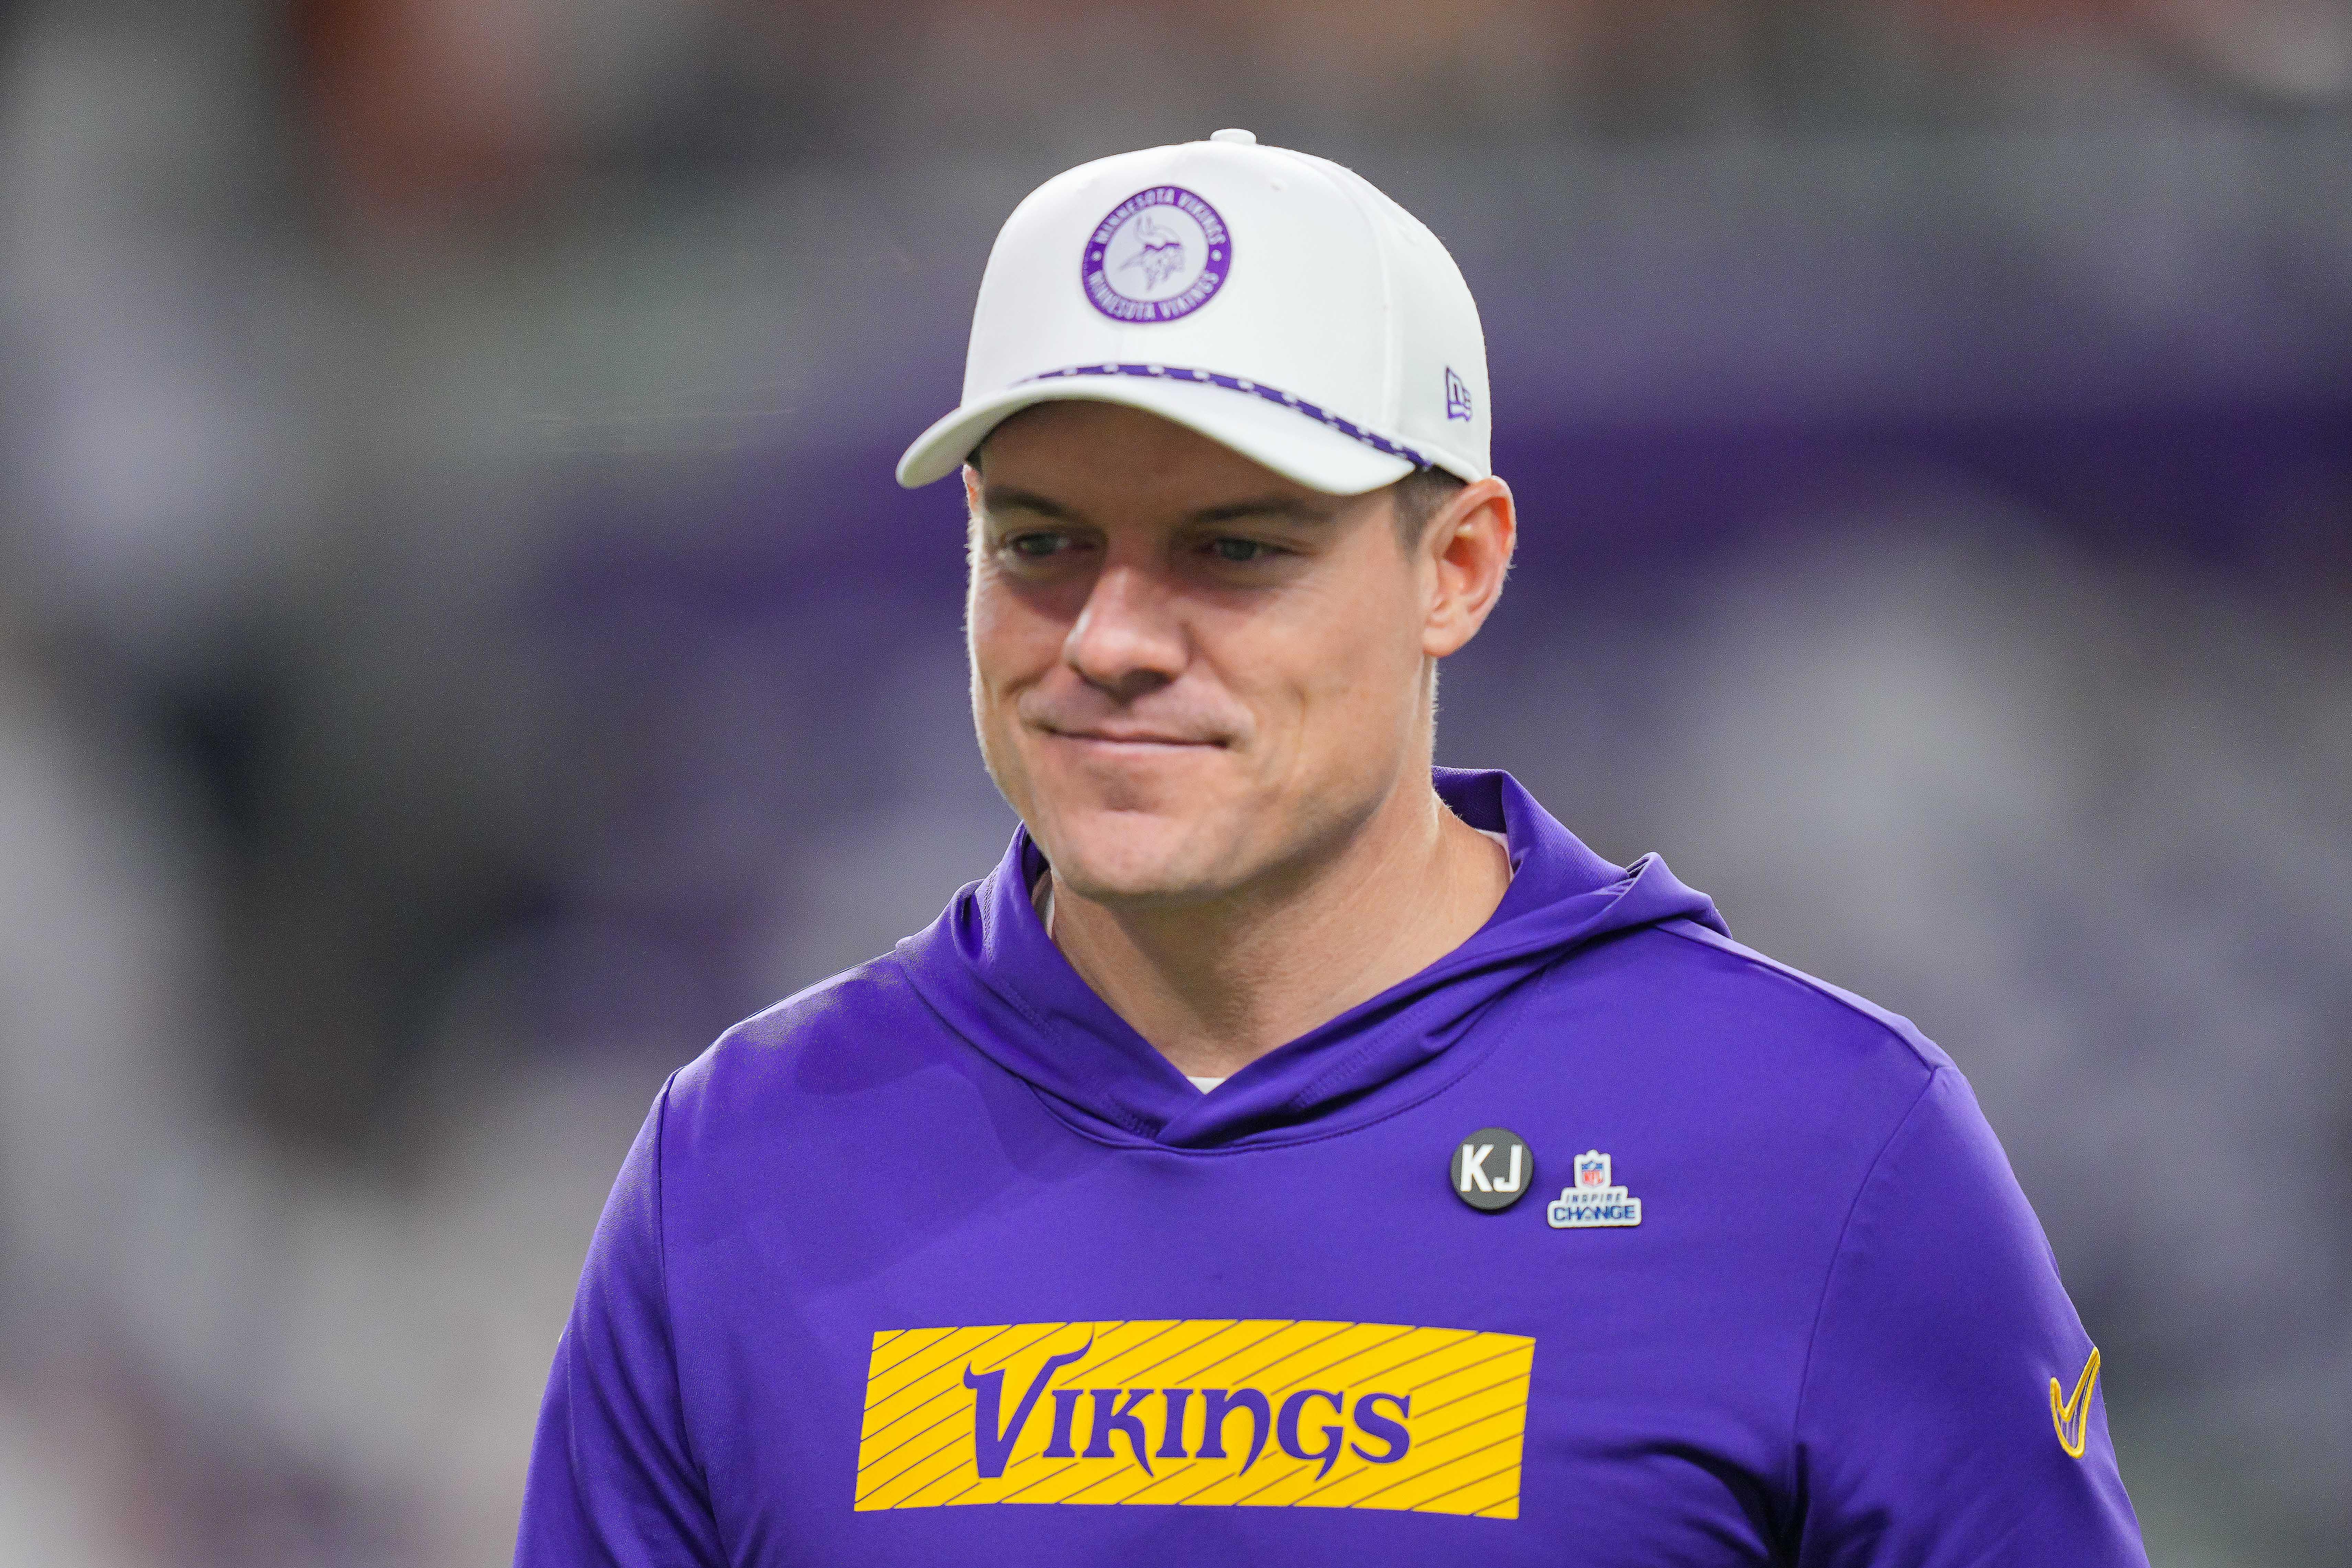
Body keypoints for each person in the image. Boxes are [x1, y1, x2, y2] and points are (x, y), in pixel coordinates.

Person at [515, 130, 2147, 1566]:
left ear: (1458, 564)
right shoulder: (738, 1166)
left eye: (1232, 549)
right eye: (1039, 543)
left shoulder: (1820, 1152)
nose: (1110, 637)